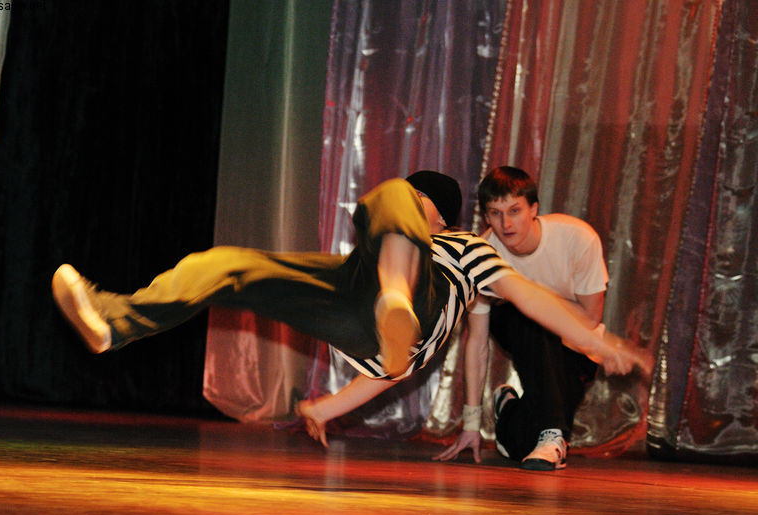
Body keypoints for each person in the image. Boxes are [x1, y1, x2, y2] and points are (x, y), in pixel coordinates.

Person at [52, 171, 646, 453]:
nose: (409, 202)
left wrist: (597, 340)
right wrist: (326, 408)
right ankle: (115, 322)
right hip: (360, 302)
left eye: (420, 199)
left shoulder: (468, 247)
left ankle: (396, 298)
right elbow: (385, 369)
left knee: (389, 197)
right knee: (225, 263)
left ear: (438, 214)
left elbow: (529, 297)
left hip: (421, 302)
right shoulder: (384, 244)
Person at [434, 165, 617, 471]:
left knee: (522, 445)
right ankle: (553, 436)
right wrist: (471, 424)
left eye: (515, 211)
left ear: (534, 209)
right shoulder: (482, 256)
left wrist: (532, 296)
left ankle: (508, 411)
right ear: (486, 217)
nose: (506, 224)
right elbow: (476, 341)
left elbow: (590, 318)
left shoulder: (578, 238)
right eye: (495, 213)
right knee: (530, 316)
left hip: (577, 344)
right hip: (519, 328)